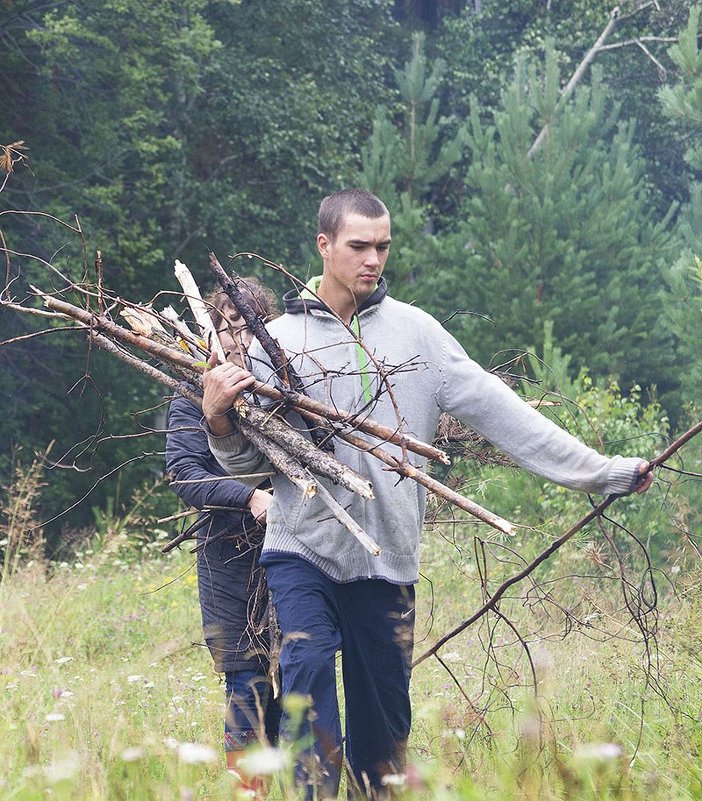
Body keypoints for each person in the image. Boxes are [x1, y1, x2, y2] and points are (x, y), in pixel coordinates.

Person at [201, 189, 653, 799]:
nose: (372, 260)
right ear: (323, 245)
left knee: (383, 727)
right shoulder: (275, 339)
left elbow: (508, 417)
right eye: (358, 246)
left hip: (388, 558)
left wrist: (602, 472)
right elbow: (253, 464)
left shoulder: (418, 335)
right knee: (305, 672)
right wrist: (220, 421)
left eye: (383, 247)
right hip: (300, 546)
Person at [165, 277, 281, 797]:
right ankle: (250, 790)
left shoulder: (289, 386)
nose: (237, 339)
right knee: (245, 682)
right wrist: (250, 496)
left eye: (247, 325)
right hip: (227, 561)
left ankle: (302, 784)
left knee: (300, 677)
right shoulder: (194, 391)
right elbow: (184, 473)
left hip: (297, 555)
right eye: (226, 324)